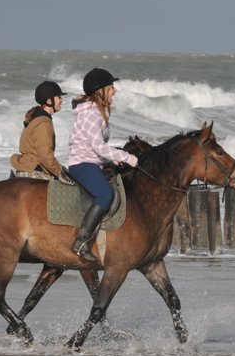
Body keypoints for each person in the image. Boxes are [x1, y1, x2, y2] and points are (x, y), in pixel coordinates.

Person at [67, 68, 139, 263]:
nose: (114, 91)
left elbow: (97, 149)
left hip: (93, 161)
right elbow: (99, 147)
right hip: (82, 164)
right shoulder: (90, 114)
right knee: (105, 194)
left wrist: (111, 160)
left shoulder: (96, 112)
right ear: (100, 90)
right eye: (111, 87)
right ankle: (82, 242)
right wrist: (128, 157)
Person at [11, 80, 71, 182]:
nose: (62, 100)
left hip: (27, 168)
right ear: (49, 101)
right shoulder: (43, 122)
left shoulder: (36, 118)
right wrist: (60, 173)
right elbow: (45, 155)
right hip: (34, 171)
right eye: (59, 97)